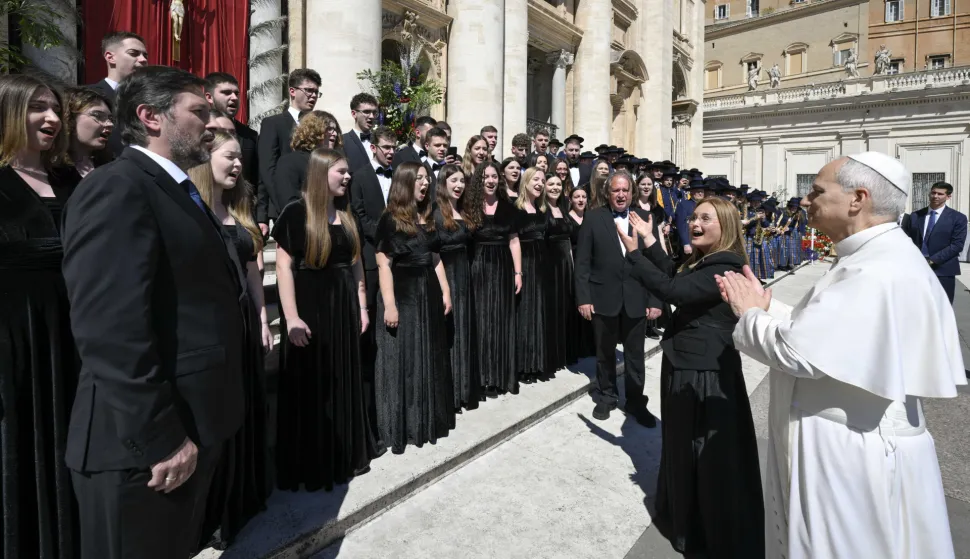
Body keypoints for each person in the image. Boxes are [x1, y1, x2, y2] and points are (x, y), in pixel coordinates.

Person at [718, 152, 965, 559]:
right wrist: (768, 311)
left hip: (849, 452)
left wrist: (749, 315)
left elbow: (800, 353)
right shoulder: (872, 256)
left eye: (816, 190)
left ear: (857, 199)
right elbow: (822, 332)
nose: (805, 200)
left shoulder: (875, 268)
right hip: (848, 441)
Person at [62, 66, 245, 559]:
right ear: (150, 116)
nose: (213, 123)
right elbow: (110, 330)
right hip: (143, 451)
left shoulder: (178, 188)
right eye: (199, 112)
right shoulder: (118, 188)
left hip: (190, 428)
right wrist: (162, 438)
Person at [619, 198, 764, 558]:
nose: (695, 223)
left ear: (726, 226)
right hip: (688, 363)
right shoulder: (706, 261)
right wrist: (652, 242)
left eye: (705, 218)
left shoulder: (726, 264)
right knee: (684, 444)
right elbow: (674, 275)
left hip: (703, 373)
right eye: (694, 217)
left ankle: (702, 528)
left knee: (699, 449)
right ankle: (684, 515)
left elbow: (674, 292)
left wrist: (635, 254)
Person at [0, 74, 81, 559]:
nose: (51, 119)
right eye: (37, 109)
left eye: (55, 109)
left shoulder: (71, 179)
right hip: (16, 336)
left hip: (77, 330)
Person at [273, 147, 383, 490]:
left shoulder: (345, 214)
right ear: (322, 174)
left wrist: (362, 308)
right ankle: (312, 461)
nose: (348, 177)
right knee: (312, 385)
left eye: (348, 172)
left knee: (341, 378)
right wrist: (290, 317)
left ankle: (345, 453)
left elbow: (354, 266)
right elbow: (282, 266)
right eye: (341, 172)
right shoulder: (295, 212)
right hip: (309, 307)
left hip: (343, 308)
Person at [188, 130, 272, 548]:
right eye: (230, 157)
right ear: (205, 159)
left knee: (246, 407)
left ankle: (245, 494)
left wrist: (260, 316)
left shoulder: (239, 209)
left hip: (242, 318)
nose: (238, 165)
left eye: (240, 159)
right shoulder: (190, 210)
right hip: (209, 328)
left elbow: (254, 268)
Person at [375, 162, 454, 454]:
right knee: (405, 361)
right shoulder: (390, 219)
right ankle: (404, 424)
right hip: (404, 295)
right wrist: (390, 305)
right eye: (419, 179)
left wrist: (446, 290)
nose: (424, 183)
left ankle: (428, 418)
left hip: (428, 293)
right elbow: (384, 264)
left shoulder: (429, 215)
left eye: (426, 178)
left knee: (429, 355)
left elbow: (435, 257)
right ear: (405, 182)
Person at [575, 171, 661, 426]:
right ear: (607, 193)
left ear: (632, 192)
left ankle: (635, 402)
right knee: (604, 352)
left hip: (636, 298)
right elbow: (582, 263)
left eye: (625, 190)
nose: (621, 195)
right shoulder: (592, 218)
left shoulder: (645, 218)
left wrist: (655, 301)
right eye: (616, 190)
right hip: (603, 297)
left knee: (635, 356)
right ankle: (607, 395)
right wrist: (583, 298)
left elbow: (656, 264)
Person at [349, 126, 397, 439]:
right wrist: (382, 237)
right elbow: (359, 213)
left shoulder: (400, 174)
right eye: (385, 147)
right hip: (369, 258)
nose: (390, 152)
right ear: (374, 147)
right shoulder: (361, 175)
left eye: (393, 147)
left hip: (398, 259)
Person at [467, 160, 523, 395]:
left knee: (501, 320)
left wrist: (518, 272)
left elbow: (514, 241)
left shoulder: (509, 208)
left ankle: (500, 376)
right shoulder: (469, 207)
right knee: (480, 322)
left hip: (502, 267)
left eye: (493, 177)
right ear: (479, 181)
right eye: (485, 177)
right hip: (478, 267)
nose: (490, 181)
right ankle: (482, 378)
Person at [433, 164, 478, 410]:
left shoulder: (464, 210)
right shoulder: (435, 212)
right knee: (448, 331)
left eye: (462, 181)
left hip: (464, 275)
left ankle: (463, 389)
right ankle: (449, 392)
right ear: (443, 183)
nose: (459, 185)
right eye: (454, 181)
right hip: (445, 276)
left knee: (463, 329)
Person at [257, 68, 321, 221]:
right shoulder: (273, 123)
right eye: (308, 90)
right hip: (284, 207)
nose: (313, 95)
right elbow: (267, 169)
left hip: (317, 206)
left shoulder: (320, 125)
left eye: (316, 92)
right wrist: (282, 206)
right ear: (292, 91)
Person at [204, 72, 263, 233]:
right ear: (209, 97)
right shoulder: (197, 130)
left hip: (241, 212)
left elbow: (258, 179)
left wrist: (261, 217)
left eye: (236, 93)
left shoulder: (250, 136)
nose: (234, 97)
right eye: (226, 92)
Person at [902, 181, 968, 303]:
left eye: (940, 194)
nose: (935, 196)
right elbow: (907, 240)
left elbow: (957, 245)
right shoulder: (916, 216)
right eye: (933, 192)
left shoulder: (958, 218)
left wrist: (932, 261)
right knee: (917, 306)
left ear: (948, 196)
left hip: (943, 270)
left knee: (942, 307)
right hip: (917, 269)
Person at [514, 167, 551, 383]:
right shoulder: (515, 210)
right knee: (525, 314)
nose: (540, 183)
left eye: (542, 180)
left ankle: (537, 363)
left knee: (538, 314)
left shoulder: (543, 209)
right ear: (525, 182)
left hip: (541, 267)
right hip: (524, 267)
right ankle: (523, 366)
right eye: (535, 179)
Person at [89, 31, 148, 156]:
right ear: (110, 57)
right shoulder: (89, 96)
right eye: (134, 53)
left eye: (145, 55)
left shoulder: (149, 100)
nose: (143, 60)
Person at [274, 110, 340, 208]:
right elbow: (289, 202)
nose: (334, 134)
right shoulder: (290, 162)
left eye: (335, 130)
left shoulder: (335, 163)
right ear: (314, 130)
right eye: (329, 129)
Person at [58, 86, 115, 178]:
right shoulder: (51, 170)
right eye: (98, 116)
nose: (110, 124)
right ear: (69, 118)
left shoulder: (112, 167)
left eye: (110, 119)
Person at [342, 92, 379, 172]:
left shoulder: (379, 140)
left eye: (374, 112)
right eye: (366, 112)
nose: (372, 116)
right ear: (354, 114)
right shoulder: (342, 141)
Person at [420, 126, 449, 196]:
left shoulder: (451, 169)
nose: (442, 148)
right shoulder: (419, 169)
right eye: (437, 145)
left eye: (445, 145)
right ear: (427, 146)